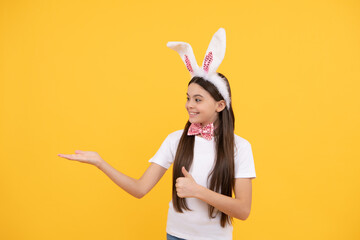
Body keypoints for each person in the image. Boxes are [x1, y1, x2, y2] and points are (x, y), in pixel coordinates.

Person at [58, 28, 256, 240]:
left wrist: (197, 191)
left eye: (198, 99)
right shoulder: (175, 140)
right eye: (188, 98)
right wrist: (100, 163)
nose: (189, 105)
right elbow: (139, 189)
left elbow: (243, 210)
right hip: (175, 236)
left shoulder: (240, 147)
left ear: (220, 105)